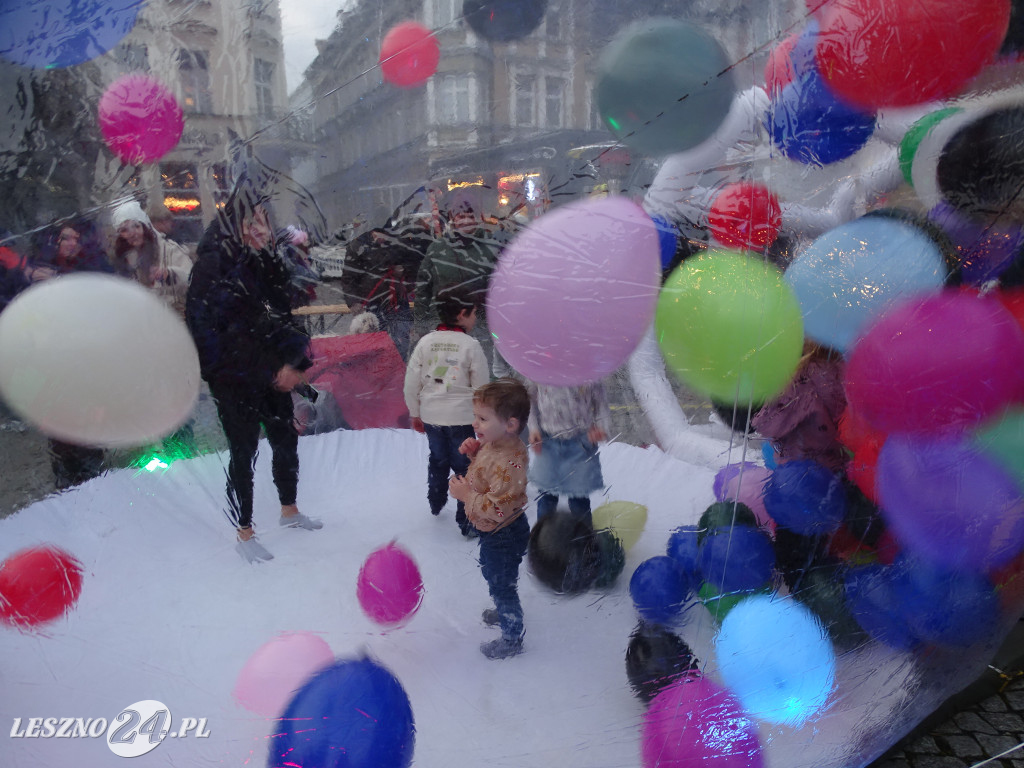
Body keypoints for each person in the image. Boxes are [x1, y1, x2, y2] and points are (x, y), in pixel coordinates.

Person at [185, 182, 323, 564]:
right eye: (253, 220)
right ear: (235, 225)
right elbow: (218, 336)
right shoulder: (213, 265)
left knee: (285, 440)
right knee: (243, 452)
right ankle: (244, 530)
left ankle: (289, 509)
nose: (261, 227)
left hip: (273, 374)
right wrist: (270, 369)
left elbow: (284, 317)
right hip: (235, 380)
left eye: (265, 220)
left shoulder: (265, 262)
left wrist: (296, 364)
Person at [24, 219, 113, 489]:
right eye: (65, 238)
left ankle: (92, 478)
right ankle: (66, 480)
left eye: (75, 238)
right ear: (55, 242)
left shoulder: (92, 266)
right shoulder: (37, 269)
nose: (71, 243)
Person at [448, 378, 531, 660]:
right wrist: (475, 453)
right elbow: (486, 474)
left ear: (510, 425)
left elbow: (498, 507)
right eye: (476, 417)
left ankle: (511, 636)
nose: (475, 424)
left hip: (503, 533)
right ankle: (503, 601)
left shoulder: (510, 461)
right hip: (496, 531)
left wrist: (464, 496)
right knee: (498, 574)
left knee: (499, 579)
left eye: (482, 419)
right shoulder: (496, 444)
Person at [403, 287, 490, 537]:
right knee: (466, 467)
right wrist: (482, 420)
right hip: (462, 420)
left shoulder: (426, 342)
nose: (475, 319)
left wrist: (415, 412)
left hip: (432, 417)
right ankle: (467, 519)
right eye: (474, 314)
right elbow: (482, 389)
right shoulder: (470, 346)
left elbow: (411, 382)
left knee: (438, 458)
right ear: (462, 314)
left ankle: (436, 498)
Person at [414, 189, 503, 364]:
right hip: (443, 329)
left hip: (484, 327)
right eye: (460, 215)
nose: (465, 221)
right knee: (448, 377)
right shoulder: (438, 249)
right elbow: (422, 289)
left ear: (479, 217)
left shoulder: (492, 246)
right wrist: (420, 326)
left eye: (470, 215)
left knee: (483, 374)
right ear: (452, 218)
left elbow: (504, 287)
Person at [751, 342, 847, 474]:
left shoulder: (800, 376)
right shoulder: (845, 371)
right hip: (838, 469)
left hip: (799, 474)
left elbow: (766, 425)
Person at [526, 381, 612, 526]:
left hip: (580, 444)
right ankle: (543, 541)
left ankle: (584, 542)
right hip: (548, 441)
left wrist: (601, 427)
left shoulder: (588, 374)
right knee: (547, 497)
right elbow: (530, 402)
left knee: (579, 499)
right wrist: (534, 428)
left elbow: (601, 405)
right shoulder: (541, 372)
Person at [341, 225, 415, 360]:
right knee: (373, 347)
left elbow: (414, 267)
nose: (381, 238)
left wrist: (404, 271)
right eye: (377, 234)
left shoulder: (400, 243)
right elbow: (348, 278)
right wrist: (353, 302)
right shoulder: (357, 246)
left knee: (402, 344)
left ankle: (399, 374)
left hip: (397, 302)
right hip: (370, 303)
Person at [110, 200, 193, 315]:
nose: (133, 233)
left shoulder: (169, 250)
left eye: (136, 226)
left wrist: (168, 274)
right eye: (125, 230)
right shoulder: (124, 261)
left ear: (145, 227)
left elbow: (191, 280)